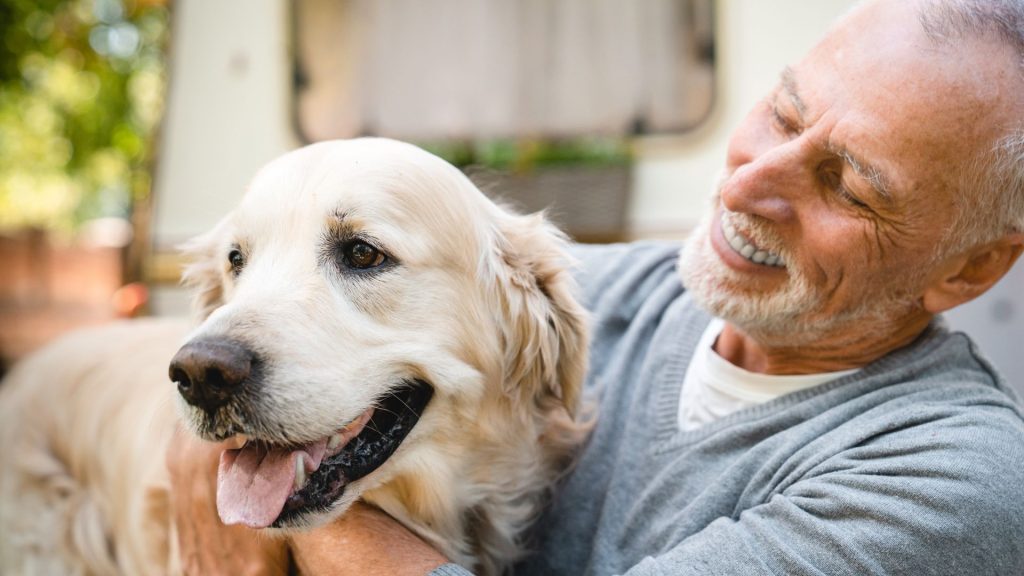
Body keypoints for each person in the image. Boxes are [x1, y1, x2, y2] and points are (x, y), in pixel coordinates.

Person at [167, 0, 1024, 573]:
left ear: (969, 268)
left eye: (849, 185)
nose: (745, 184)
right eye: (783, 114)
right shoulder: (609, 294)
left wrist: (296, 513)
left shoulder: (957, 481)